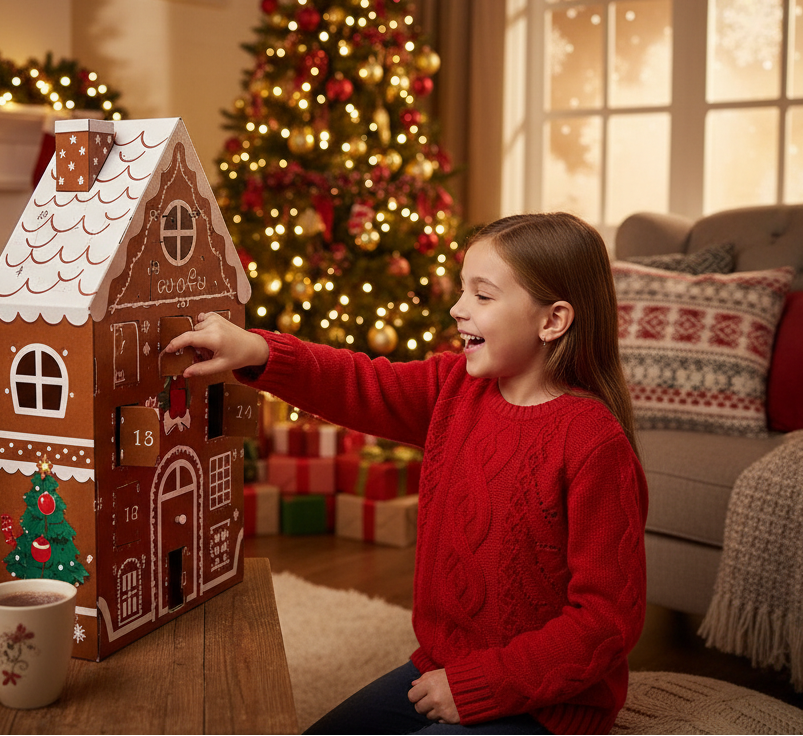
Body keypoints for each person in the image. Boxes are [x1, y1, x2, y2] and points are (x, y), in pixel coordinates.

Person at [165, 212, 648, 736]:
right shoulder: (456, 387)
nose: (458, 309)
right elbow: (361, 383)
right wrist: (259, 351)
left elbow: (605, 624)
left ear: (552, 320)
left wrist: (475, 685)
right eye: (463, 289)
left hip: (546, 706)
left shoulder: (595, 445)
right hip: (441, 668)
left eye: (483, 296)